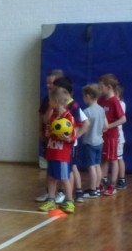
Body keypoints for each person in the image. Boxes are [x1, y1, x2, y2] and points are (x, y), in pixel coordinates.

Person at [38, 86, 76, 214]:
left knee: (64, 178)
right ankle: (51, 200)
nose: (49, 102)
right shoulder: (53, 116)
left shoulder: (69, 117)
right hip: (52, 152)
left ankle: (69, 201)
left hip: (62, 154)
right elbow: (48, 129)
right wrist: (48, 134)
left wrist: (67, 138)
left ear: (56, 101)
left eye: (50, 100)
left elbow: (73, 136)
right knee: (51, 177)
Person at [97, 73, 126, 196]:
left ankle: (112, 185)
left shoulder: (114, 101)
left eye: (101, 87)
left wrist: (108, 126)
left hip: (112, 136)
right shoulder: (101, 100)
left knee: (113, 160)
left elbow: (123, 119)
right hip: (102, 136)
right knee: (103, 159)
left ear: (109, 87)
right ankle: (100, 183)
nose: (99, 90)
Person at [78, 84, 106, 198]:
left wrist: (77, 134)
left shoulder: (87, 111)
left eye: (84, 96)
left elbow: (83, 126)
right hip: (99, 141)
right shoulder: (101, 109)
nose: (83, 99)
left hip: (90, 142)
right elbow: (105, 126)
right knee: (97, 165)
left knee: (91, 167)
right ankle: (97, 187)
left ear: (88, 96)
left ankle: (92, 190)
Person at [38, 69, 65, 170]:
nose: (48, 86)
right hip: (48, 137)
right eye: (47, 83)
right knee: (50, 165)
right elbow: (42, 116)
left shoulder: (65, 102)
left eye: (51, 83)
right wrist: (40, 129)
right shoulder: (47, 99)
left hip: (60, 139)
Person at [116, 83, 127, 190]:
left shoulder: (121, 104)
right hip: (112, 136)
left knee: (119, 158)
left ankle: (122, 179)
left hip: (118, 136)